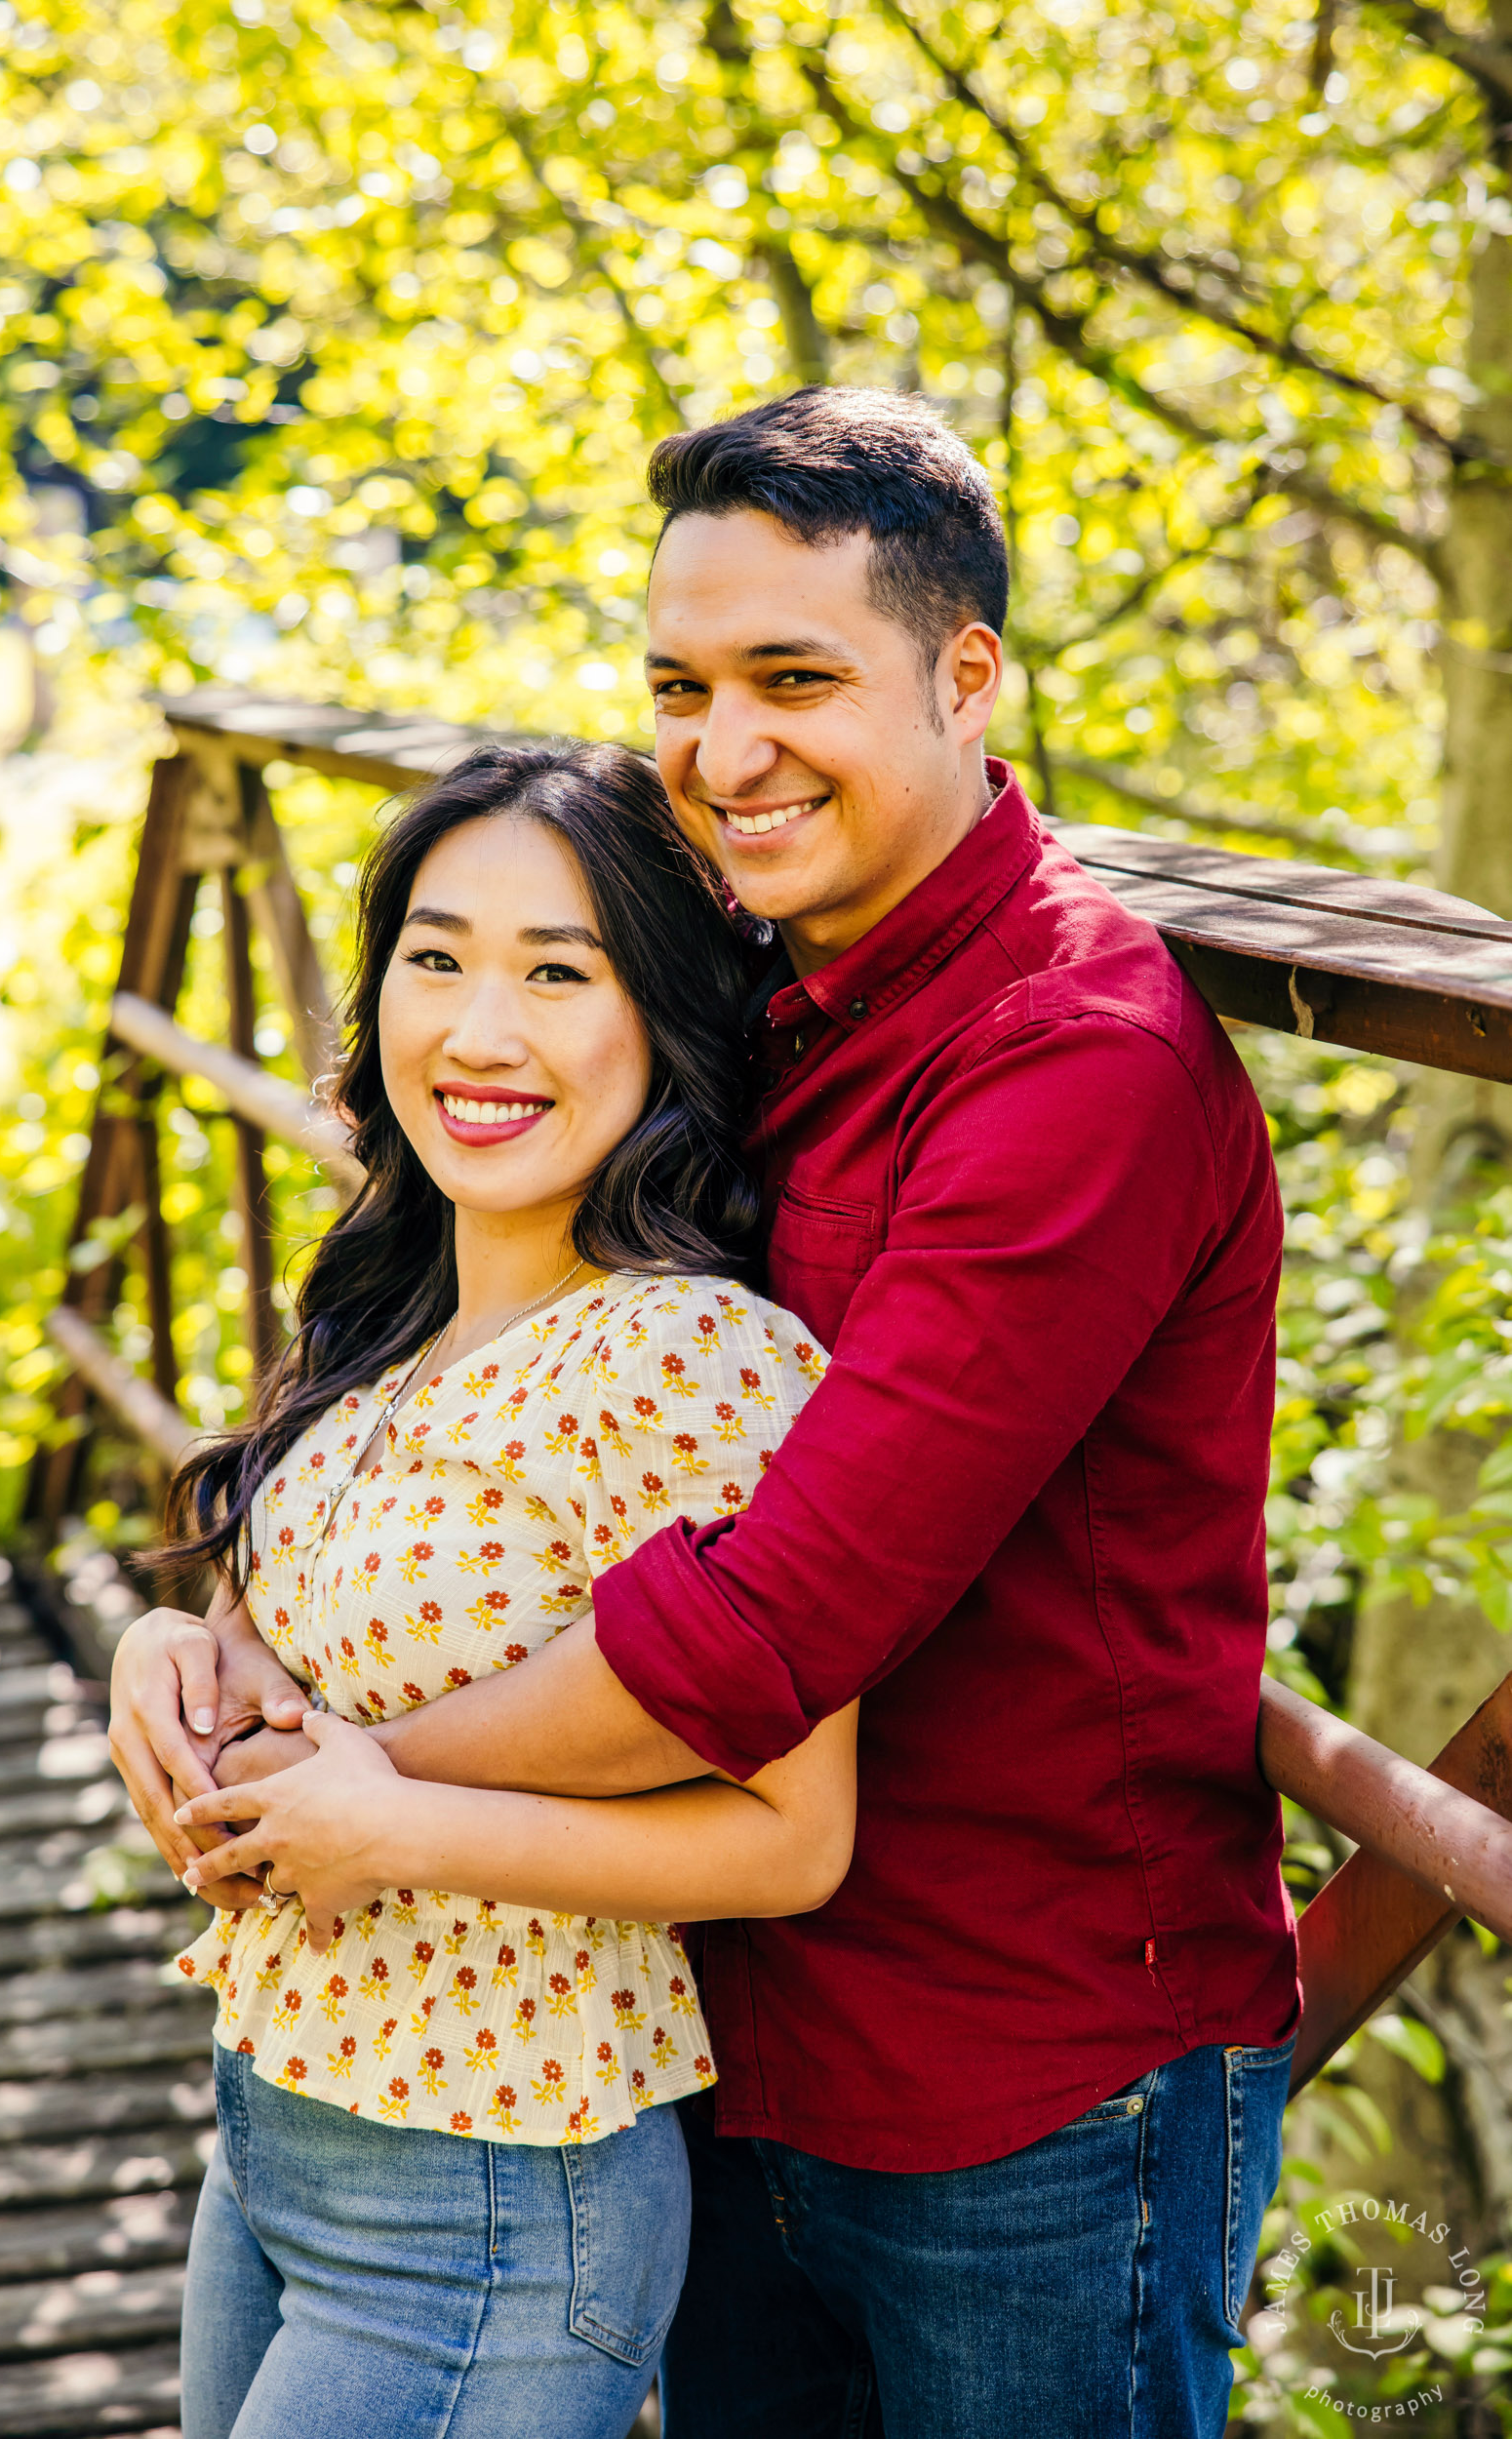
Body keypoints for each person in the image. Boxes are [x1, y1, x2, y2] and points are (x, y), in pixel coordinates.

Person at [114, 387, 1299, 2438]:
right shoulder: (752, 979)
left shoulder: (1070, 1059)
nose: (723, 748)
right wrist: (222, 1646)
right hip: (714, 2039)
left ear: (966, 673)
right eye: (678, 682)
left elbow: (763, 1629)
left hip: (1019, 2068)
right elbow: (476, 1390)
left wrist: (339, 1781)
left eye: (795, 679)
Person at [145, 738, 856, 2439]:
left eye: (558, 972)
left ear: (664, 1014)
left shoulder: (694, 1361)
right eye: (438, 956)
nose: (478, 1031)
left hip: (491, 2206)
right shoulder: (403, 1311)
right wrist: (173, 1648)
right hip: (272, 2134)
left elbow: (793, 1840)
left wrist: (399, 1827)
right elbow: (310, 1640)